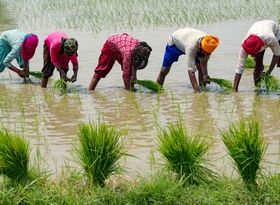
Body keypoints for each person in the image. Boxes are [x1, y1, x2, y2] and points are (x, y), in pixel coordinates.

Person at [156, 27, 219, 93]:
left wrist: (205, 75)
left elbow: (203, 61)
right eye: (204, 53)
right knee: (164, 71)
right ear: (200, 46)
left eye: (207, 53)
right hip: (175, 43)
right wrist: (196, 91)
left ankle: (202, 89)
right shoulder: (191, 46)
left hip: (191, 43)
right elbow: (191, 71)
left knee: (200, 68)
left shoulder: (209, 44)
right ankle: (157, 90)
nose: (205, 55)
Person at [233, 20, 280, 92]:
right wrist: (235, 90)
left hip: (275, 31)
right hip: (258, 28)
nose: (252, 56)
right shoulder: (244, 45)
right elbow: (239, 68)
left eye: (253, 54)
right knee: (258, 65)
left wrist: (269, 72)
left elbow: (277, 54)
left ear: (260, 47)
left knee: (279, 62)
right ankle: (258, 89)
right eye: (250, 54)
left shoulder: (270, 38)